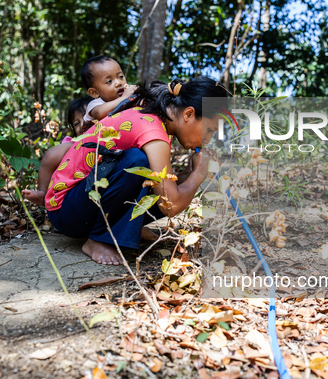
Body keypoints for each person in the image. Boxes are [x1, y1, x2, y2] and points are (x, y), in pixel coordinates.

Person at [45, 77, 229, 265]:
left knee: (152, 174)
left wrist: (189, 175)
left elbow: (165, 189)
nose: (208, 139)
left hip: (82, 201)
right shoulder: (153, 131)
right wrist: (198, 174)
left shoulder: (157, 117)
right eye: (209, 130)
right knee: (137, 160)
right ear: (189, 114)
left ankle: (124, 228)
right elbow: (171, 205)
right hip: (67, 211)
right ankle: (98, 239)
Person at [23, 97, 92, 206]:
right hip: (72, 193)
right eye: (76, 124)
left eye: (86, 116)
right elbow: (50, 157)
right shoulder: (73, 143)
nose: (82, 124)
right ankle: (42, 193)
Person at [81, 55, 137, 124]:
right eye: (109, 81)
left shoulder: (127, 95)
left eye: (120, 77)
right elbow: (99, 113)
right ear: (94, 92)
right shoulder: (96, 104)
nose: (118, 83)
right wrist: (124, 98)